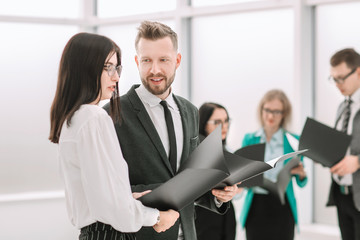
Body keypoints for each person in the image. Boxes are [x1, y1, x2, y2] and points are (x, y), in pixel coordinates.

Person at [103, 21, 238, 240]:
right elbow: (107, 188)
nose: (155, 69)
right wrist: (168, 189)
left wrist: (219, 195)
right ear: (137, 62)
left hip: (189, 233)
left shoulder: (190, 111)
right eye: (147, 60)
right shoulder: (112, 113)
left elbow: (192, 181)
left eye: (163, 60)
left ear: (177, 61)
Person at [48, 32, 179, 239]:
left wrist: (126, 197)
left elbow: (97, 196)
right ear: (85, 68)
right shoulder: (94, 117)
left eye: (117, 68)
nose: (116, 77)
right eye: (108, 67)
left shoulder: (73, 119)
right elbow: (112, 209)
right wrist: (156, 217)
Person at [239, 89, 307, 240]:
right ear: (261, 110)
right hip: (256, 206)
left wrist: (302, 174)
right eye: (267, 110)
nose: (271, 116)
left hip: (283, 206)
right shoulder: (250, 139)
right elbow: (241, 176)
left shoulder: (293, 140)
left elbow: (302, 183)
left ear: (284, 114)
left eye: (277, 112)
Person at [327, 48, 360, 240]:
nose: (337, 84)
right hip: (342, 195)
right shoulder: (343, 106)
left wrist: (357, 162)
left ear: (358, 71)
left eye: (341, 78)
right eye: (333, 79)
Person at [195, 102, 238, 240]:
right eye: (217, 122)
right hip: (204, 217)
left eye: (226, 121)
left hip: (227, 216)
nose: (224, 126)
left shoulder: (228, 152)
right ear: (203, 123)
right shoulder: (196, 153)